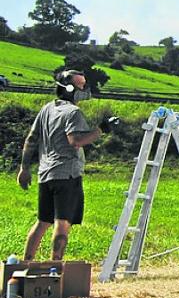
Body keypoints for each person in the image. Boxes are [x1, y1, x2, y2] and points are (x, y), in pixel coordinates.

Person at [16, 70, 114, 262]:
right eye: (81, 85)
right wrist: (102, 129)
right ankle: (55, 268)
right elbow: (76, 141)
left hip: (46, 174)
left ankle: (25, 263)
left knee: (42, 222)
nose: (85, 89)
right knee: (62, 224)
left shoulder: (47, 109)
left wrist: (24, 168)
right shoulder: (73, 112)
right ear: (69, 89)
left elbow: (31, 139)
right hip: (67, 175)